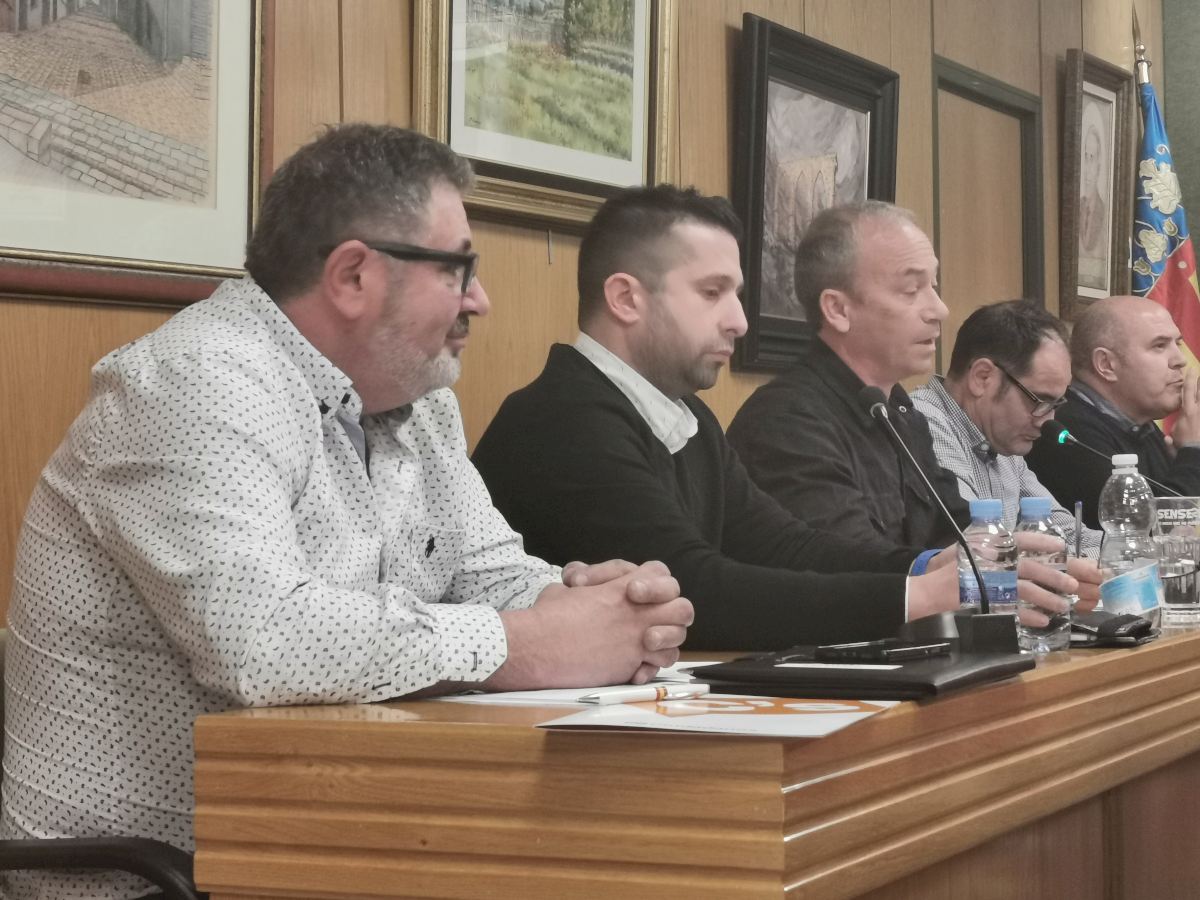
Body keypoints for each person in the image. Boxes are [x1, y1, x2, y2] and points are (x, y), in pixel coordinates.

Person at [0, 126, 692, 900]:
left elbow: (489, 571)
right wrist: (526, 643)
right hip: (153, 881)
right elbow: (263, 640)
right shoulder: (194, 382)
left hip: (333, 843)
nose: (480, 300)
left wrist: (597, 608)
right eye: (458, 269)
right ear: (354, 276)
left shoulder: (417, 400)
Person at [472, 185, 1090, 652]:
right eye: (712, 293)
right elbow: (694, 586)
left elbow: (784, 545)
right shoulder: (563, 421)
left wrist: (936, 566)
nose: (739, 321)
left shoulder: (685, 416)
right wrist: (916, 594)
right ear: (626, 298)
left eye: (737, 295)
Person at [725, 201, 969, 555]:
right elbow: (855, 565)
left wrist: (1010, 553)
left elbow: (956, 532)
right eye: (911, 290)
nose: (939, 310)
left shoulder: (899, 409)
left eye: (933, 285)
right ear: (838, 309)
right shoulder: (787, 422)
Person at [912, 300, 1102, 556]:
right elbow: (981, 550)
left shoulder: (1002, 439)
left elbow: (1070, 535)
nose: (1046, 420)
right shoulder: (921, 424)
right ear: (982, 377)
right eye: (1039, 400)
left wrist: (1134, 550)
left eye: (1056, 404)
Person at [1027, 295, 1200, 528]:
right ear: (1106, 364)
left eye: (1177, 344)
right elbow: (1140, 530)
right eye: (1159, 346)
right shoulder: (1067, 432)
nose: (1180, 360)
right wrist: (1193, 452)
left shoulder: (1140, 424)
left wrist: (1185, 460)